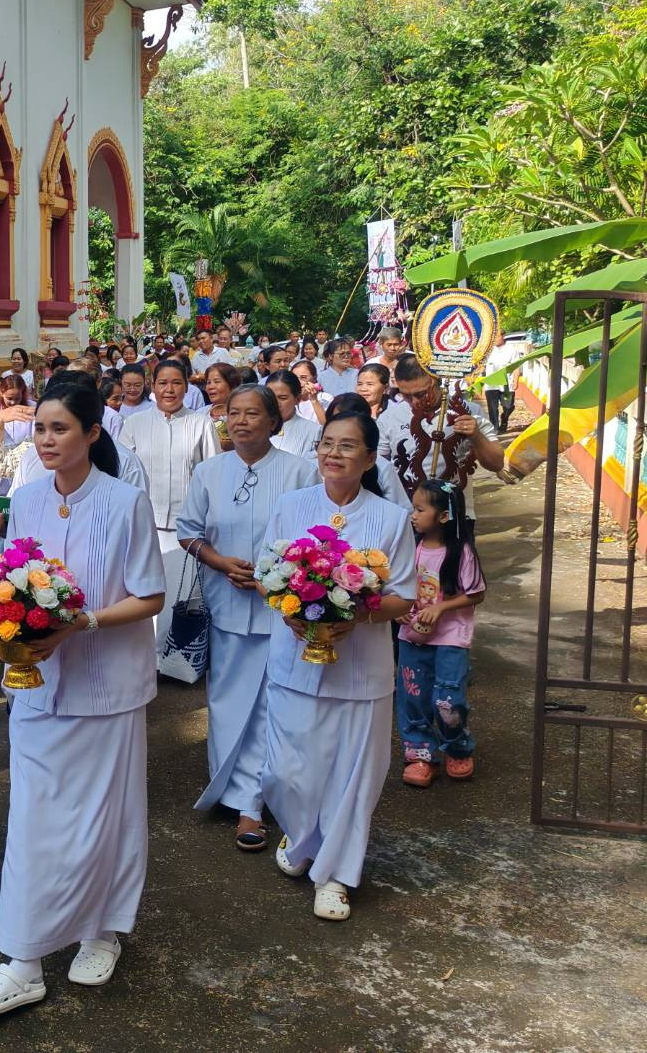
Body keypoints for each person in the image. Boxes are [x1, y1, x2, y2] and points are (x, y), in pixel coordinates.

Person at [0, 379, 165, 1015]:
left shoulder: (126, 502)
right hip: (36, 687)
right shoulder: (23, 500)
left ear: (92, 435)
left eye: (60, 430)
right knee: (32, 821)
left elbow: (150, 595)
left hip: (107, 688)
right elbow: (8, 578)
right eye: (41, 429)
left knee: (104, 816)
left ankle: (101, 930)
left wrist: (83, 623)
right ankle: (22, 959)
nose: (47, 440)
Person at [261, 411, 415, 922]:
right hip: (294, 659)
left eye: (347, 446)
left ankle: (335, 876)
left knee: (355, 775)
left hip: (361, 667)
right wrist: (289, 608)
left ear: (370, 458)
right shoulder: (291, 506)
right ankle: (304, 835)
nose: (333, 454)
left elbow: (404, 599)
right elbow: (267, 575)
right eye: (327, 443)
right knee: (286, 772)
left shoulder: (392, 520)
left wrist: (360, 610)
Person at [177, 387, 317, 851]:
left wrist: (273, 578)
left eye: (252, 413)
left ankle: (266, 797)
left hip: (285, 611)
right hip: (227, 606)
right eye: (232, 413)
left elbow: (313, 544)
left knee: (274, 705)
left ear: (273, 420)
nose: (240, 421)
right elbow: (189, 533)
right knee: (227, 701)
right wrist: (219, 562)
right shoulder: (209, 472)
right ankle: (238, 795)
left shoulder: (301, 471)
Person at [117, 358, 221, 670]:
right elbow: (123, 473)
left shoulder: (200, 423)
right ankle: (144, 661)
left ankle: (176, 662)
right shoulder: (134, 425)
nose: (169, 389)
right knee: (144, 595)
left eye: (177, 382)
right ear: (153, 385)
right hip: (144, 525)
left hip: (186, 529)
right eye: (163, 382)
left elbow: (211, 473)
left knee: (179, 597)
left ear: (187, 386)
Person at [396, 480, 486, 787]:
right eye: (413, 508)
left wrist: (442, 608)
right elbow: (397, 588)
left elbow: (475, 594)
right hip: (412, 637)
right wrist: (399, 610)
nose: (413, 515)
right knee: (413, 696)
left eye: (421, 509)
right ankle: (420, 755)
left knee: (448, 700)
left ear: (443, 517)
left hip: (450, 639)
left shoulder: (461, 553)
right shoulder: (410, 549)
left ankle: (457, 747)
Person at [378, 355, 504, 534]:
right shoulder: (389, 417)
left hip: (455, 515)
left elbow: (496, 463)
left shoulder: (470, 412)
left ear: (435, 381)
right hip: (404, 515)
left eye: (421, 394)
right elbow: (379, 467)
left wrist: (476, 436)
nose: (414, 402)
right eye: (405, 395)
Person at [265, 370, 322, 458]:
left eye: (282, 398)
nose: (275, 403)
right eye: (270, 397)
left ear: (297, 399)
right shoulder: (256, 428)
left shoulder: (314, 431)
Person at [483, 332, 524, 432]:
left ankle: (504, 418)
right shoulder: (487, 349)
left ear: (503, 336)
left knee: (508, 406)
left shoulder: (512, 349)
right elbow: (480, 365)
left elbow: (516, 366)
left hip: (506, 384)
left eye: (497, 336)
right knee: (492, 408)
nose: (494, 339)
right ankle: (494, 429)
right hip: (491, 383)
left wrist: (516, 380)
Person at [291, 359, 331, 424]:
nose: (298, 382)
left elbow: (326, 425)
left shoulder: (325, 398)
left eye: (303, 377)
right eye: (294, 378)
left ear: (314, 378)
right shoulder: (288, 399)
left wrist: (314, 400)